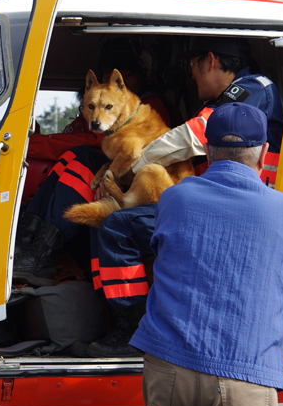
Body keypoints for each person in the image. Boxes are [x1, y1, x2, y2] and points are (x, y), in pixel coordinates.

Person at [83, 36, 283, 357]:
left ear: (210, 61)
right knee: (108, 219)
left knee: (114, 225)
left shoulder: (249, 91)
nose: (191, 75)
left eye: (193, 66)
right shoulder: (242, 93)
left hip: (234, 210)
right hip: (217, 202)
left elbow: (191, 136)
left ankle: (131, 330)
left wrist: (132, 161)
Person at [130, 102, 283, 406]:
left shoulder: (174, 198)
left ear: (205, 149)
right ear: (264, 151)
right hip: (244, 374)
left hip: (168, 367)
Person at [13, 37, 173, 287]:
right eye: (106, 77)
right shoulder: (100, 105)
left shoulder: (149, 107)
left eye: (122, 77)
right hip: (127, 177)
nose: (112, 83)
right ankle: (27, 242)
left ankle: (42, 253)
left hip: (149, 188)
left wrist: (34, 144)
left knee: (82, 157)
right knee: (73, 158)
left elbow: (93, 142)